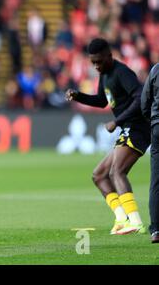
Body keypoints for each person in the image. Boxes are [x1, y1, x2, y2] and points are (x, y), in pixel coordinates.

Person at [66, 38, 150, 235]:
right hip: (128, 128)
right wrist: (79, 96)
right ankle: (121, 218)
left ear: (109, 56)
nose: (96, 66)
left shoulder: (122, 73)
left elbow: (140, 98)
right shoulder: (104, 75)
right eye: (93, 62)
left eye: (99, 61)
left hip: (137, 127)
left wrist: (117, 121)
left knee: (116, 172)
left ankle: (135, 222)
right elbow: (102, 101)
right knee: (99, 175)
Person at [141, 63, 159, 243]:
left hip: (157, 127)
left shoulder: (155, 70)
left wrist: (153, 120)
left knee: (156, 180)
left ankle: (156, 230)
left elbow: (144, 102)